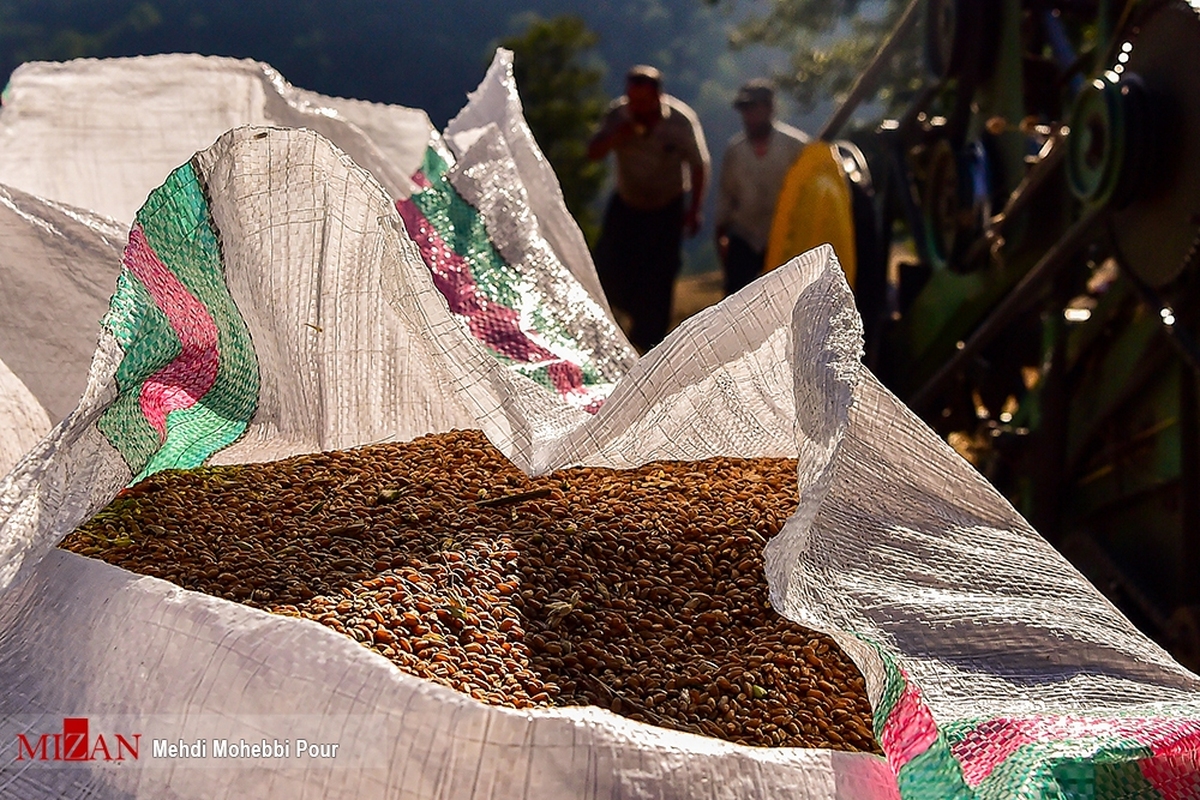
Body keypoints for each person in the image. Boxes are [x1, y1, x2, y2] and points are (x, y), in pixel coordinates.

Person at [588, 65, 710, 352]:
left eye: (644, 101)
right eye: (633, 101)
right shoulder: (617, 115)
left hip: (666, 207)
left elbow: (698, 164)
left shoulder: (681, 120)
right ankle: (616, 321)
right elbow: (593, 152)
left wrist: (694, 209)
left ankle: (648, 343)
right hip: (628, 204)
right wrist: (617, 137)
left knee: (659, 278)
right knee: (608, 268)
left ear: (659, 97)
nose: (638, 107)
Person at [714, 79, 808, 297]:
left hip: (786, 234)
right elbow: (727, 195)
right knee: (735, 301)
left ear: (769, 108)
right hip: (745, 234)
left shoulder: (795, 145)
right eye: (745, 110)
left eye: (754, 108)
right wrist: (721, 234)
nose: (750, 116)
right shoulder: (735, 150)